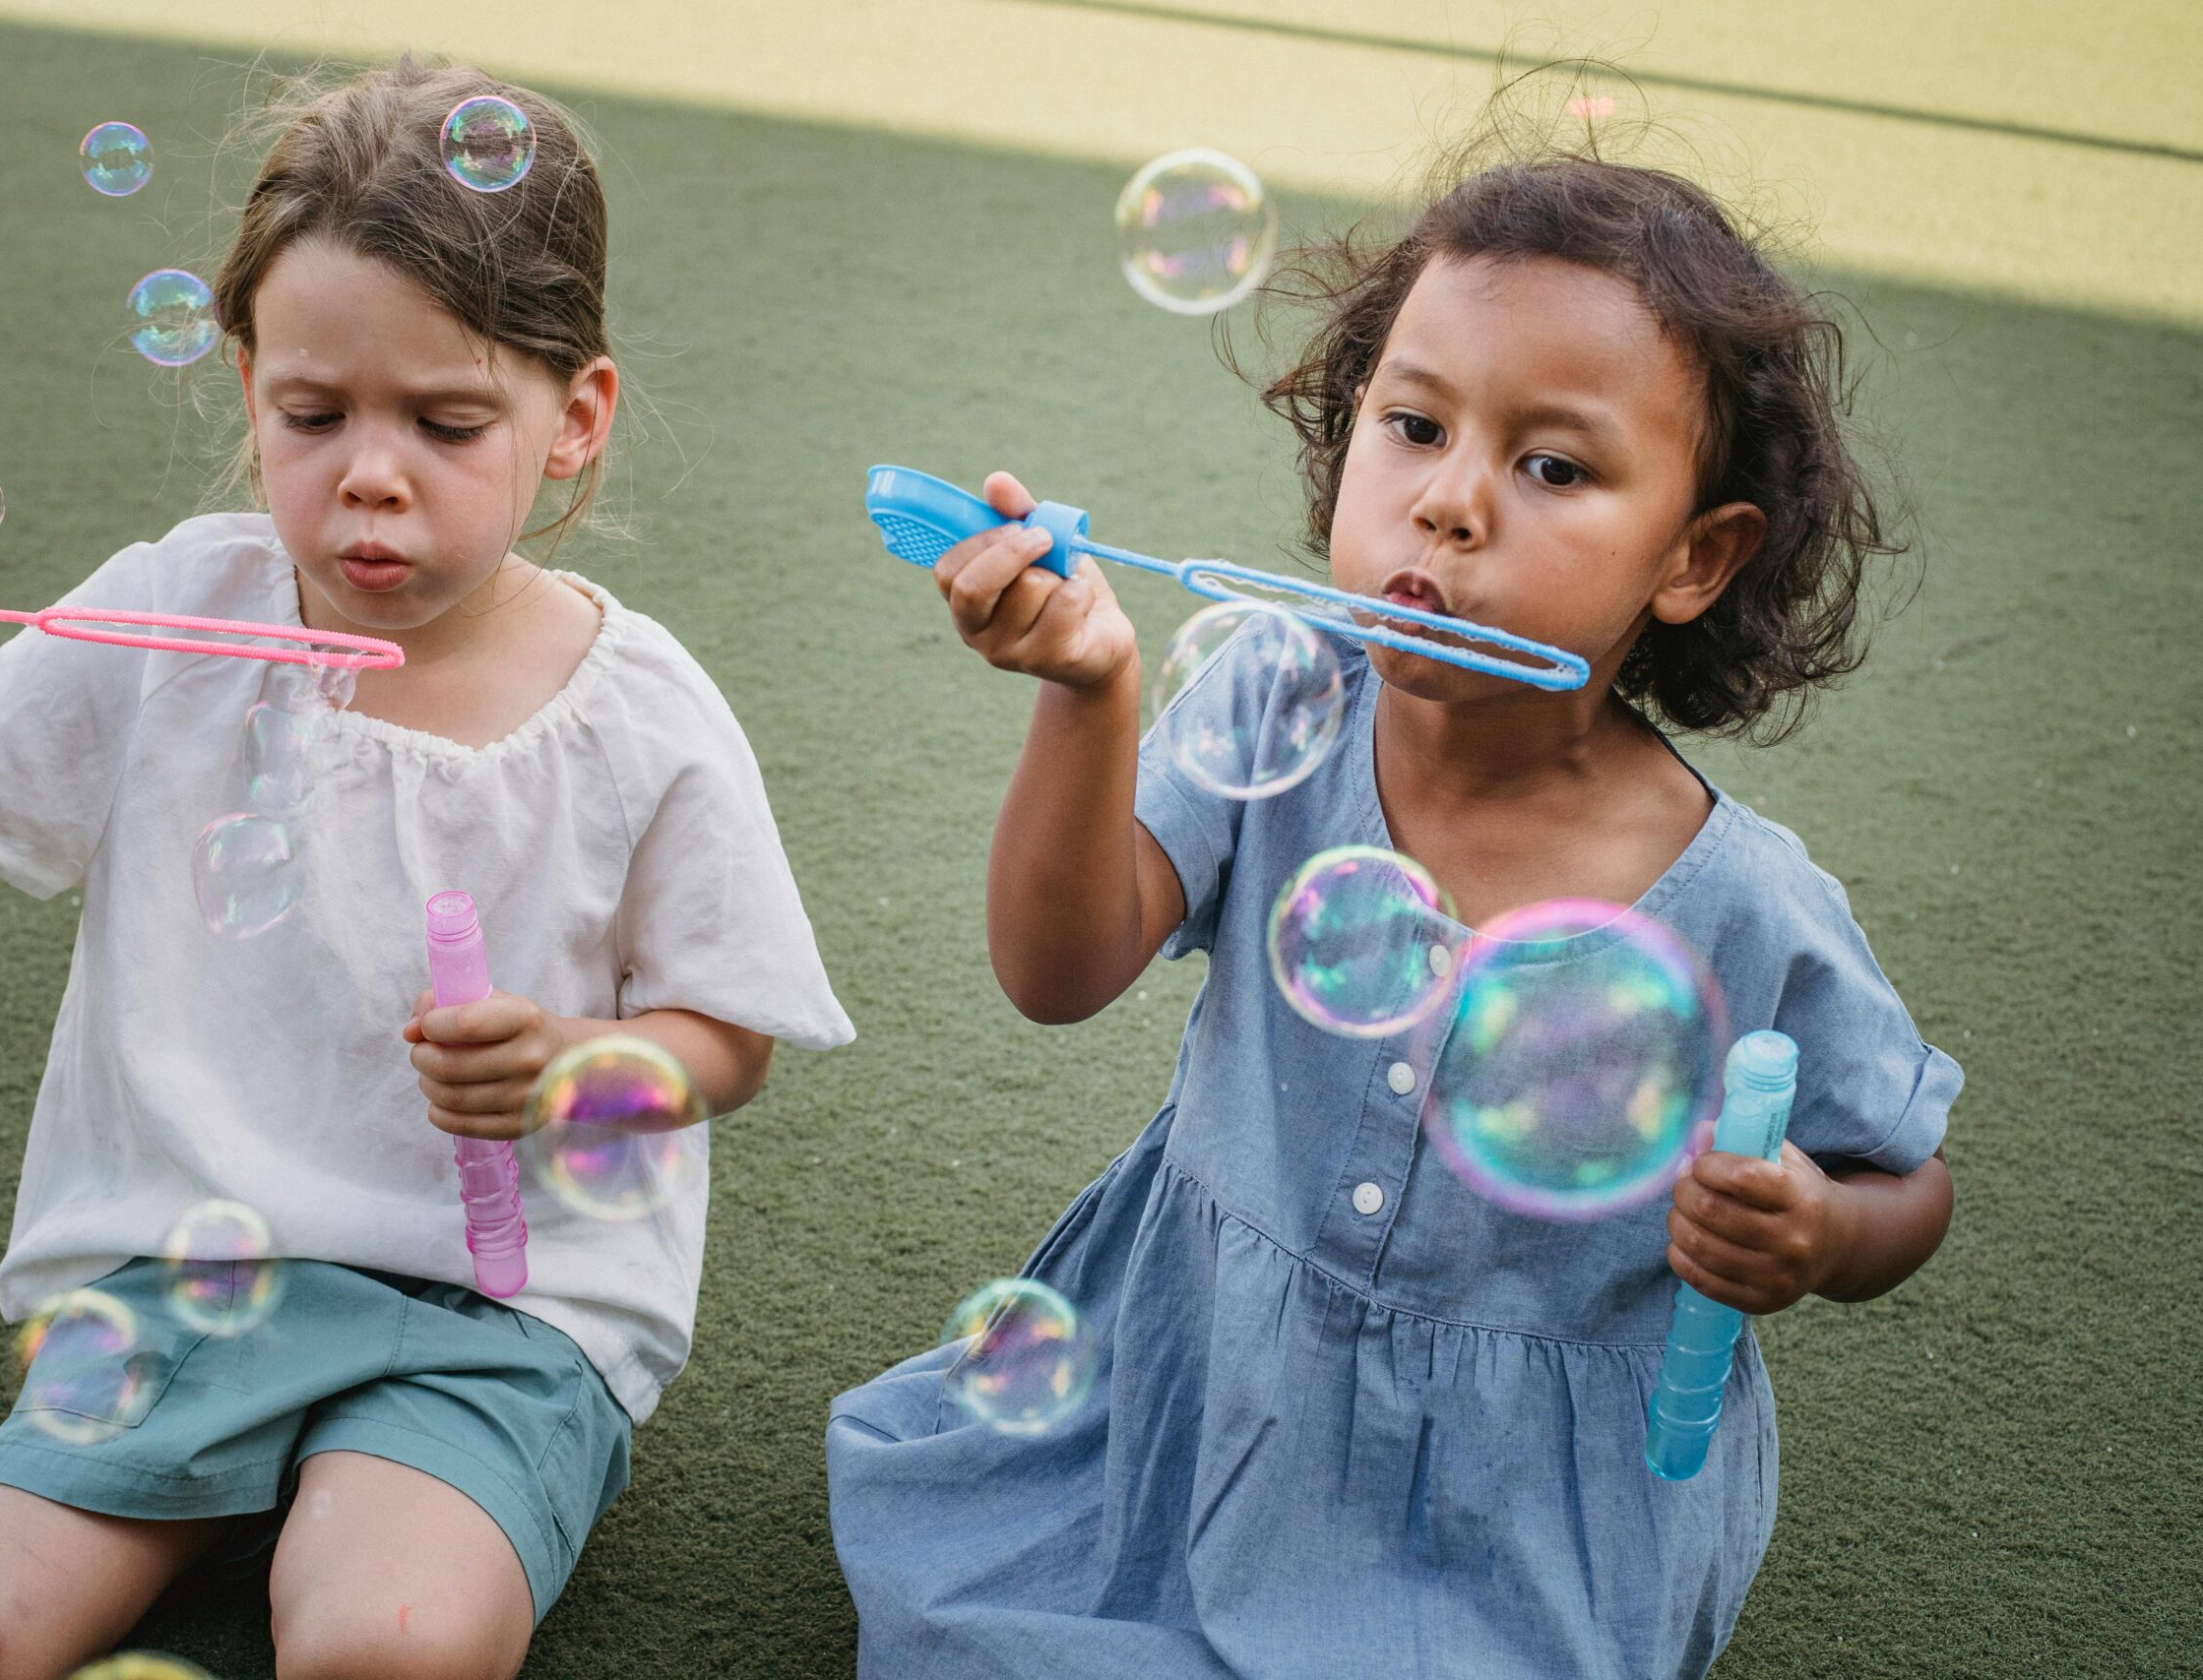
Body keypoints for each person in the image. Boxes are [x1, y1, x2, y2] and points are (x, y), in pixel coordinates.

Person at [0, 57, 850, 1680]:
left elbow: (728, 1043)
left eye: (448, 423)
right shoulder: (182, 611)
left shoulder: (639, 714)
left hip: (501, 1316)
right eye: (313, 414)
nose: (370, 473)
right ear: (246, 386)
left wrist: (579, 1065)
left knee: (390, 1651)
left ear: (572, 418)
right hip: (184, 1264)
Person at [827, 145, 1959, 1679]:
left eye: (1552, 467)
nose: (1447, 503)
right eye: (1413, 426)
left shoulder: (1744, 900)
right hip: (1194, 1386)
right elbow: (1057, 970)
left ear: (1695, 557)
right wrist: (1091, 692)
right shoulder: (1275, 696)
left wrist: (1823, 1233)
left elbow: (1906, 1182)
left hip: (1514, 1511)